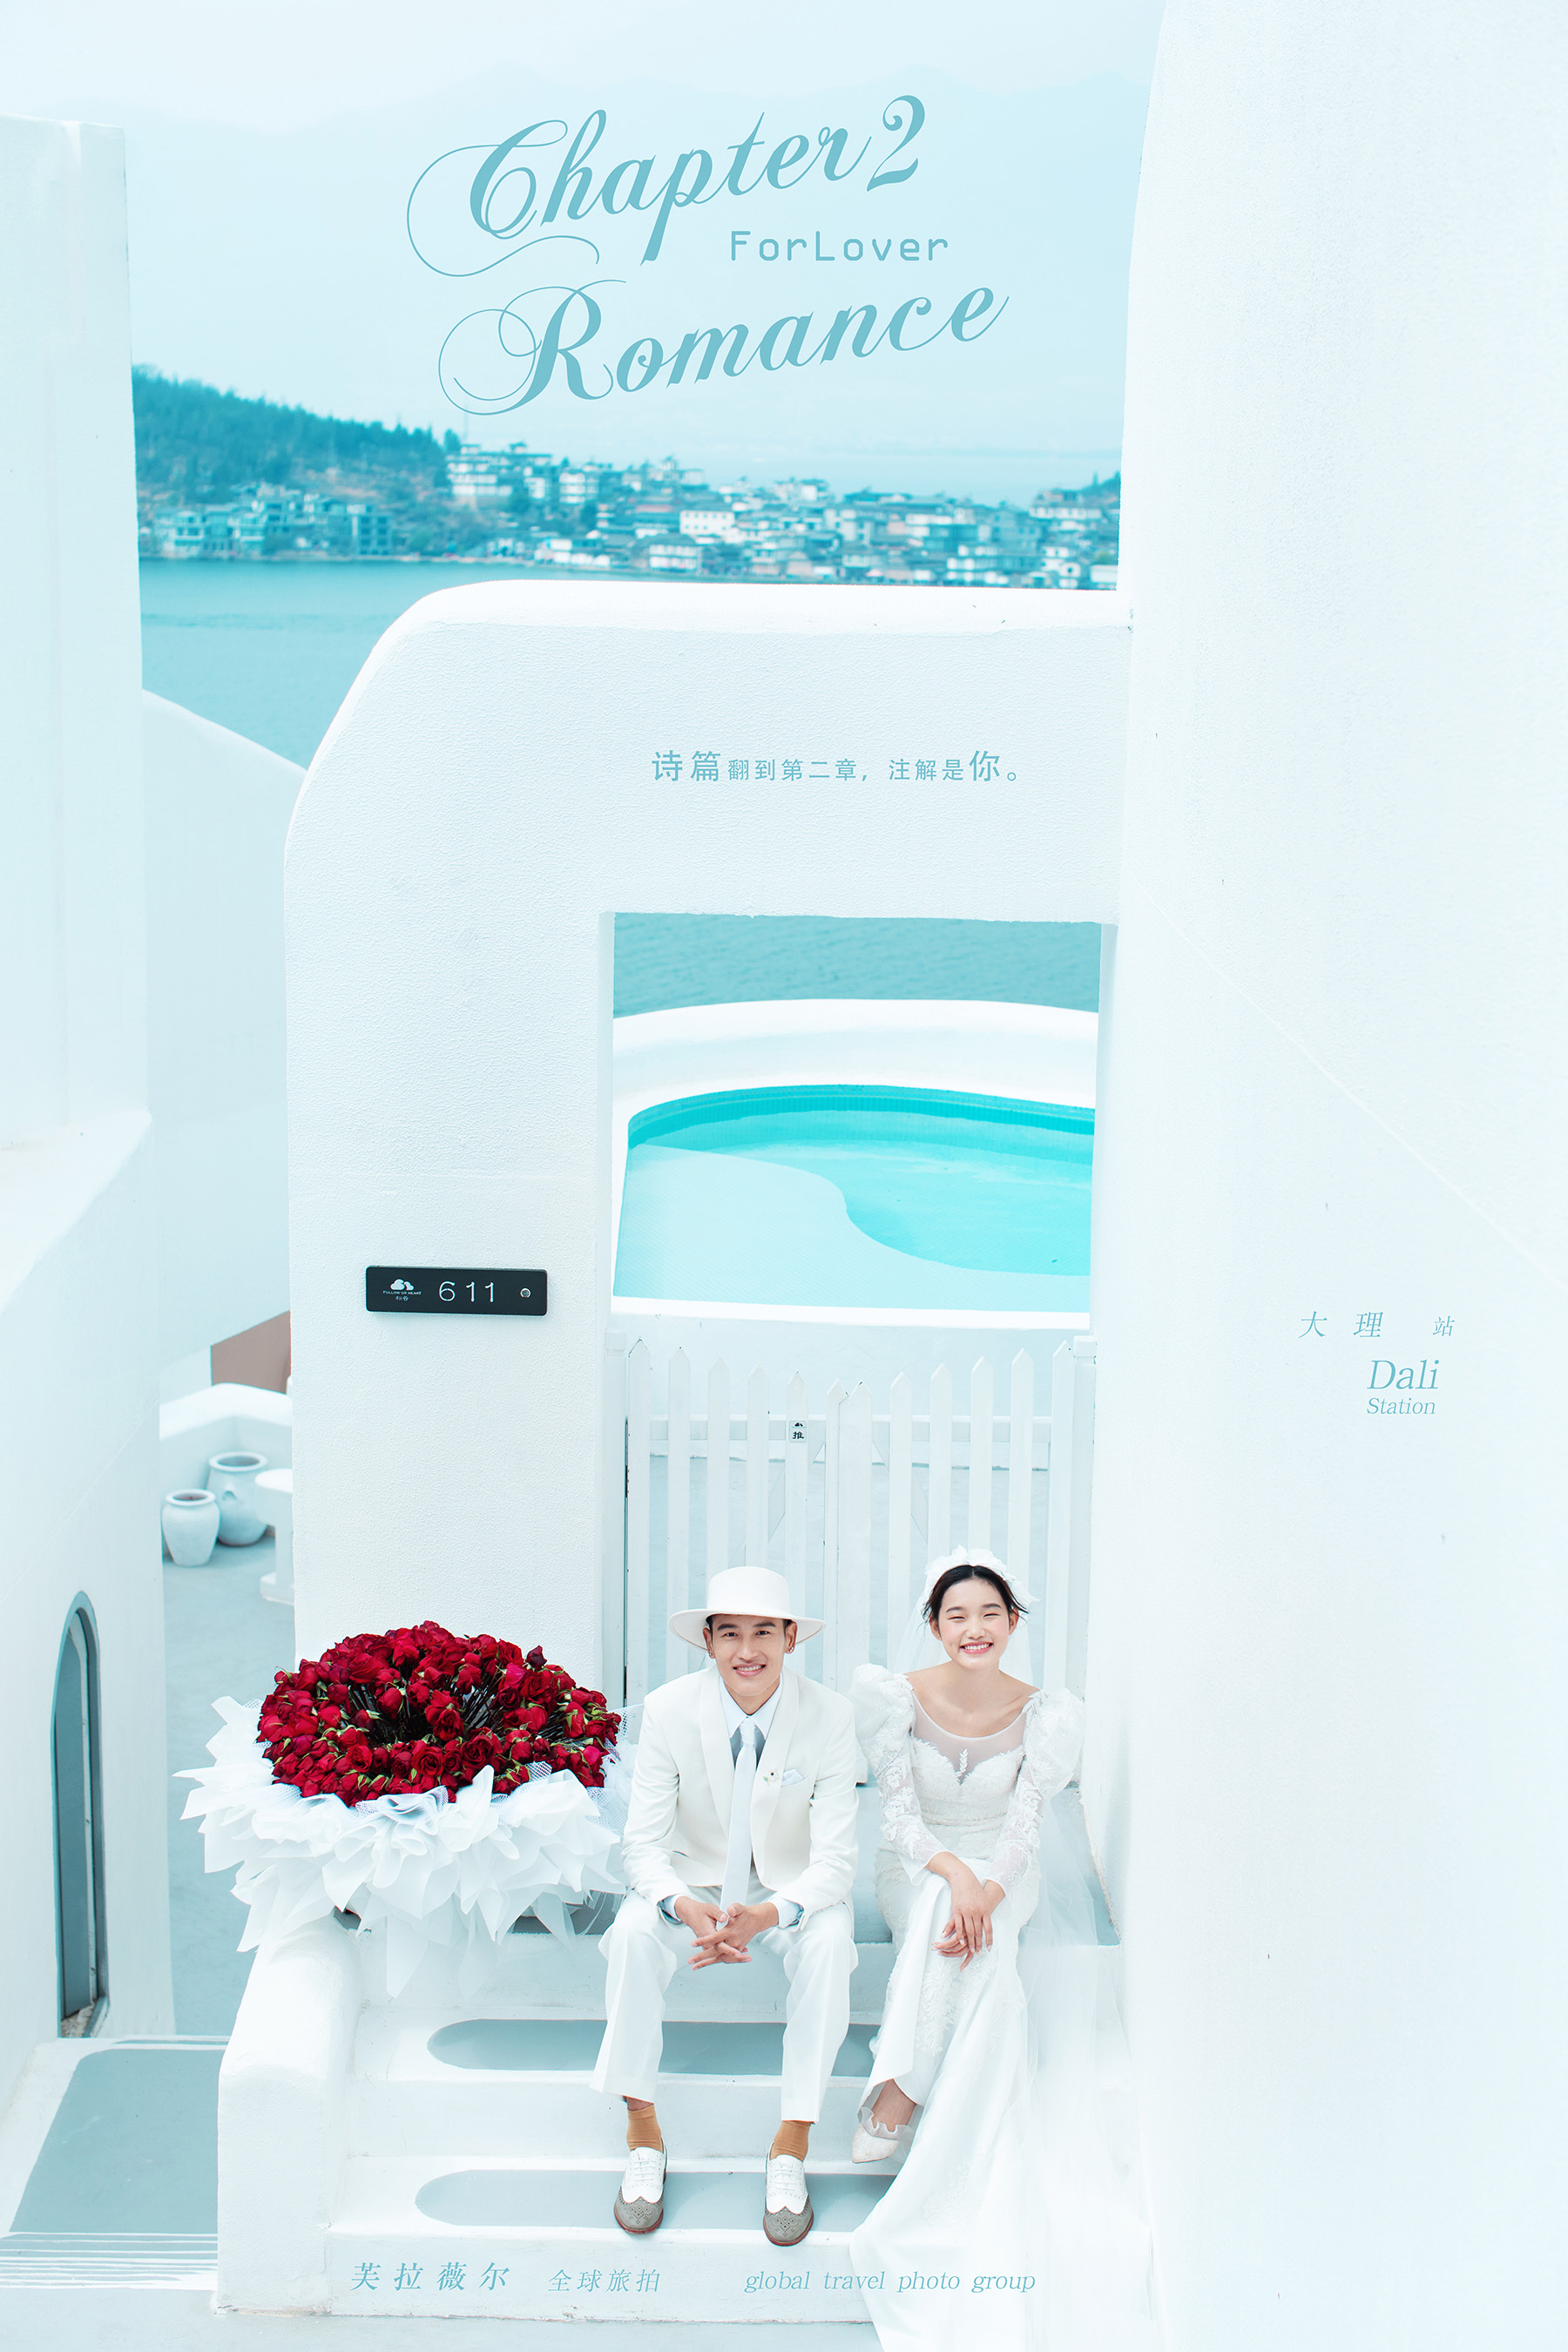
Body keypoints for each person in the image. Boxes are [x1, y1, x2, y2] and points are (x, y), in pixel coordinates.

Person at [848, 1551, 1153, 2351]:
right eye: (957, 1616)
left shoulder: (1045, 1714)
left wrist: (988, 1887)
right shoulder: (895, 1698)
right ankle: (908, 2090)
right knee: (940, 1912)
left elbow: (1023, 1830)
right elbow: (898, 1822)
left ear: (1013, 1621)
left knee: (979, 1935)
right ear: (934, 1625)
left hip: (1005, 1873)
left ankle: (901, 2091)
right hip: (918, 1867)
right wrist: (956, 1876)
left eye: (990, 1614)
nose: (974, 1629)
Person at [591, 1565, 860, 2247]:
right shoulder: (668, 1709)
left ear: (791, 1638)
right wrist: (682, 1905)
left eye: (764, 1632)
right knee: (631, 1934)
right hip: (695, 1883)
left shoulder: (830, 1716)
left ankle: (792, 2142)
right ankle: (642, 2131)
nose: (747, 1650)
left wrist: (769, 1914)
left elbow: (836, 1861)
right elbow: (642, 1845)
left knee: (832, 1944)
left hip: (785, 1888)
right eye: (730, 1633)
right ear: (707, 1641)